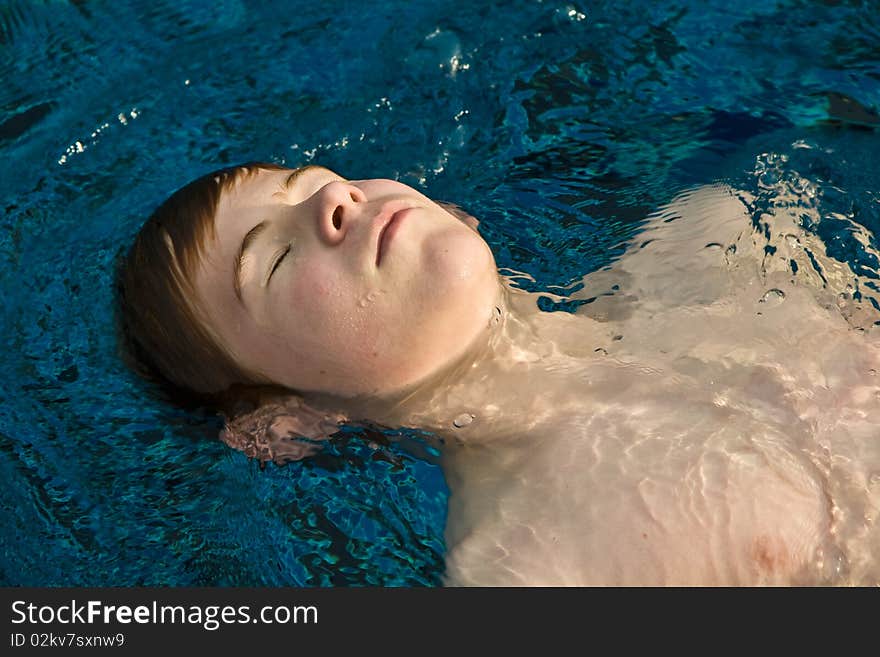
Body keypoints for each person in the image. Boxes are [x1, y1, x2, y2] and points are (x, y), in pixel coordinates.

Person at [116, 162, 880, 585]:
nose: (333, 199)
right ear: (285, 425)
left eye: (317, 178)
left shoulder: (715, 241)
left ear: (456, 211)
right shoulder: (528, 571)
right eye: (276, 259)